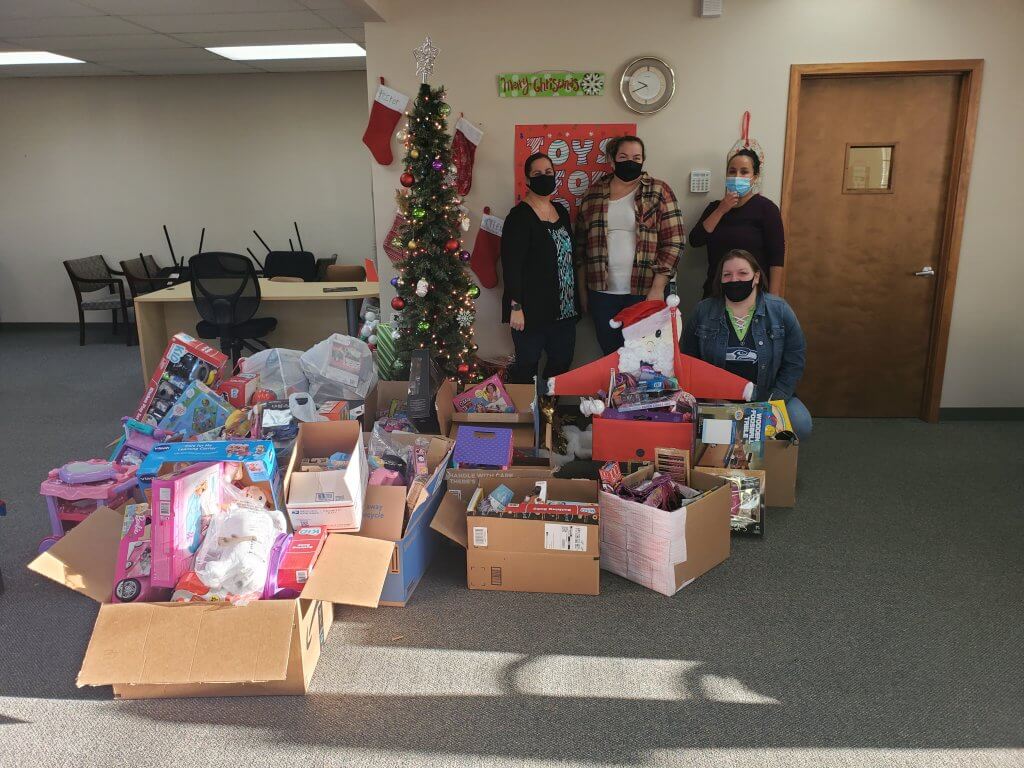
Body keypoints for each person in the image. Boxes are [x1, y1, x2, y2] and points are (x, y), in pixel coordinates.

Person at [681, 249, 812, 439]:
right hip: (715, 397)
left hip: (768, 395)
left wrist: (772, 401)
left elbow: (795, 360)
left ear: (756, 277)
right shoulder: (703, 311)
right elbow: (689, 360)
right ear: (720, 280)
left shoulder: (780, 310)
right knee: (693, 430)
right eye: (727, 275)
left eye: (743, 273)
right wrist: (711, 398)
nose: (735, 280)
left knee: (801, 424)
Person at [575, 135, 685, 354]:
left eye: (637, 157)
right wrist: (583, 293)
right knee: (611, 356)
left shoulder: (658, 191)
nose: (630, 162)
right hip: (602, 294)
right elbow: (581, 249)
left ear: (643, 160)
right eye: (624, 157)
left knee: (647, 357)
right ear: (612, 160)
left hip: (645, 291)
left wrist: (657, 289)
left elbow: (674, 242)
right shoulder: (593, 195)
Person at [500, 152, 578, 384]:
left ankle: (549, 415)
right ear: (527, 180)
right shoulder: (519, 217)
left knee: (561, 366)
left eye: (548, 173)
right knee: (526, 368)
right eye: (537, 174)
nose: (544, 177)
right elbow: (511, 265)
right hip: (530, 312)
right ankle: (527, 418)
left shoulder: (561, 211)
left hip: (565, 310)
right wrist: (516, 306)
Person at [688, 148, 785, 298]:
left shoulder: (767, 209)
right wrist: (721, 210)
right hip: (716, 292)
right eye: (732, 171)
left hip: (754, 294)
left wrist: (774, 297)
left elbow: (776, 256)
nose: (737, 176)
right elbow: (695, 240)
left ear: (755, 177)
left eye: (744, 172)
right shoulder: (715, 207)